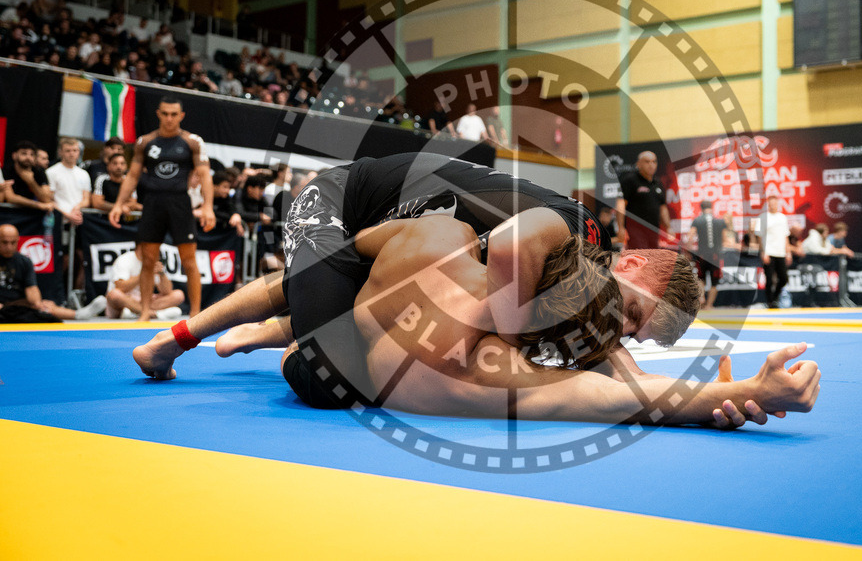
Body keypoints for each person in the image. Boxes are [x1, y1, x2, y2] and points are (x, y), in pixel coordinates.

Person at [150, 215, 821, 429]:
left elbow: (345, 260)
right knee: (303, 329)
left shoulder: (443, 234)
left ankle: (207, 334)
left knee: (306, 299)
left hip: (349, 322)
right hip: (326, 374)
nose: (623, 338)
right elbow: (625, 396)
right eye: (629, 320)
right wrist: (748, 393)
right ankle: (273, 331)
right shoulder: (503, 373)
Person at [131, 152, 701, 385]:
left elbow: (602, 343)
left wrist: (642, 386)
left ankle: (283, 327)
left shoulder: (578, 281)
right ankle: (174, 339)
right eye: (631, 312)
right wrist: (509, 328)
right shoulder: (582, 231)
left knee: (381, 311)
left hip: (391, 242)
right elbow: (507, 246)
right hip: (338, 199)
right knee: (332, 378)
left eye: (633, 334)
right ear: (630, 263)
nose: (618, 331)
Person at [108, 97, 215, 320]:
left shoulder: (192, 141)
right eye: (165, 113)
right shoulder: (145, 142)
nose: (169, 118)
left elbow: (204, 175)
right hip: (153, 204)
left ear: (181, 116)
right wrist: (118, 204)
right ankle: (145, 312)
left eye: (173, 114)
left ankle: (196, 314)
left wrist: (208, 207)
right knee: (148, 260)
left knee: (189, 260)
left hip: (180, 203)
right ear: (158, 114)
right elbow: (133, 176)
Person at [0, 225, 107, 323]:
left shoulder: (24, 262)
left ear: (18, 240)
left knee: (45, 306)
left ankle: (78, 315)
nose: (9, 247)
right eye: (4, 242)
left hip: (16, 305)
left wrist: (37, 303)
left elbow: (31, 289)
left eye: (13, 242)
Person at [105, 244, 184, 320]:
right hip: (127, 300)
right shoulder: (125, 259)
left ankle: (136, 313)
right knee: (114, 294)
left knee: (178, 295)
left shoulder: (153, 260)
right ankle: (154, 314)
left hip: (146, 301)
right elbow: (120, 287)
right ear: (142, 246)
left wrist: (161, 274)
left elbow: (167, 291)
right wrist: (145, 274)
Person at [615, 151, 671, 250]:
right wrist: (621, 228)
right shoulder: (630, 180)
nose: (651, 165)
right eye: (647, 162)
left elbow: (663, 207)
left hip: (653, 229)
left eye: (654, 162)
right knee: (642, 256)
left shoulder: (658, 183)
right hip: (635, 230)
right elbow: (620, 204)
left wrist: (668, 227)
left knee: (653, 257)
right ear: (638, 164)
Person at [45, 137, 91, 228]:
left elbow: (86, 199)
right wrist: (67, 214)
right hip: (57, 220)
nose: (72, 154)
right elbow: (49, 199)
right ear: (60, 152)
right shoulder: (51, 172)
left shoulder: (84, 174)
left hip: (78, 220)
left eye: (75, 150)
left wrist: (77, 208)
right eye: (68, 151)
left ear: (79, 152)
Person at [692, 200, 728, 309]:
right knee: (714, 281)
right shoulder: (720, 221)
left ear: (701, 208)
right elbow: (725, 239)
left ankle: (702, 299)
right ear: (711, 208)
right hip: (716, 255)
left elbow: (690, 236)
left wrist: (688, 249)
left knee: (700, 278)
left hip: (702, 254)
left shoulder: (697, 220)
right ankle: (709, 304)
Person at [759, 195, 791, 309]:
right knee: (769, 278)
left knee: (783, 278)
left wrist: (788, 252)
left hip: (780, 252)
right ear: (768, 205)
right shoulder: (763, 217)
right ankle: (770, 302)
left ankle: (775, 297)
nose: (773, 206)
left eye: (775, 204)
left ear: (777, 204)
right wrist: (763, 252)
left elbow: (785, 236)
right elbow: (759, 236)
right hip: (769, 251)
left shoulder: (782, 217)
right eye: (771, 204)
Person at [5, 141, 54, 212]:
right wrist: (38, 205)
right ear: (14, 155)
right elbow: (10, 197)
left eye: (32, 155)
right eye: (24, 153)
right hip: (11, 212)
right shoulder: (7, 171)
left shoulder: (39, 172)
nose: (28, 157)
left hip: (33, 214)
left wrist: (31, 182)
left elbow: (46, 199)